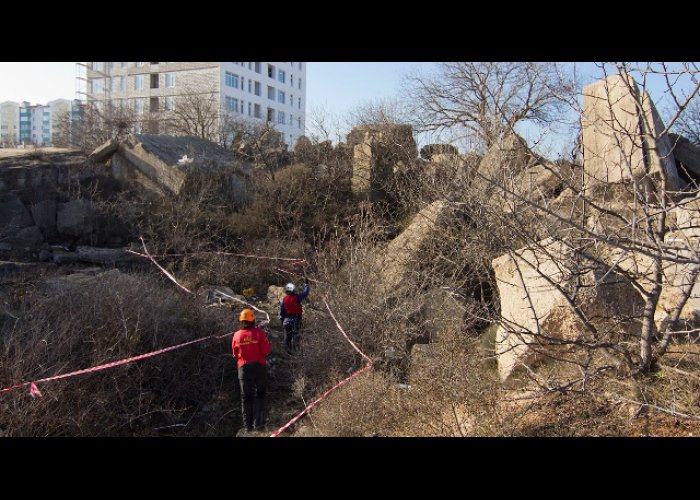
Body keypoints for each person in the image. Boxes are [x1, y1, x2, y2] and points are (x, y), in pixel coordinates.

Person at [232, 308, 270, 433]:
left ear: (241, 321)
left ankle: (248, 427)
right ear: (253, 319)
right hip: (259, 366)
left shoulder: (236, 335)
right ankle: (258, 425)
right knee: (260, 394)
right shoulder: (260, 333)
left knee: (246, 397)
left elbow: (235, 354)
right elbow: (266, 351)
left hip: (243, 368)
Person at [279, 279, 310, 354]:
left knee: (287, 337)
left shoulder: (284, 299)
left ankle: (288, 352)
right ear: (293, 290)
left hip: (286, 321)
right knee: (296, 336)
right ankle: (296, 352)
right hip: (296, 319)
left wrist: (282, 320)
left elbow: (282, 311)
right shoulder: (297, 297)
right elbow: (305, 292)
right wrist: (306, 284)